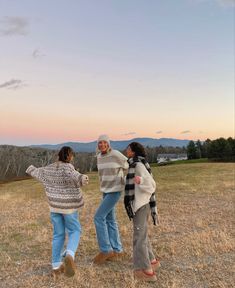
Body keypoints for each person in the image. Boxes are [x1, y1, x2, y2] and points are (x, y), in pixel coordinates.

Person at [26, 146, 89, 278]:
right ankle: (69, 255)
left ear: (58, 156)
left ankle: (56, 265)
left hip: (54, 207)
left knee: (58, 234)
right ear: (70, 156)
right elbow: (76, 176)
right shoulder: (68, 168)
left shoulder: (50, 168)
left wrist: (31, 169)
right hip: (68, 208)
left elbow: (38, 172)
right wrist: (83, 178)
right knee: (74, 230)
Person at [124, 142, 160, 282]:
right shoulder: (136, 164)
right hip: (141, 205)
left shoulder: (138, 165)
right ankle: (152, 261)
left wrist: (141, 180)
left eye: (128, 149)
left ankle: (145, 271)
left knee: (138, 238)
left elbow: (151, 184)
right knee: (142, 235)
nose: (126, 151)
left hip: (140, 206)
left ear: (133, 152)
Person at [93, 134, 129, 264]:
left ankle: (106, 249)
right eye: (99, 143)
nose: (102, 145)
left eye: (104, 142)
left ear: (108, 143)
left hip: (115, 190)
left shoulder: (116, 154)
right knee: (110, 220)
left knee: (98, 217)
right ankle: (117, 250)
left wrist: (124, 180)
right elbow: (101, 175)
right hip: (105, 191)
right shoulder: (99, 157)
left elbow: (129, 165)